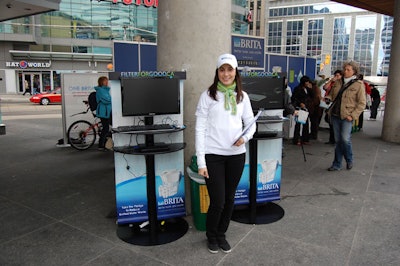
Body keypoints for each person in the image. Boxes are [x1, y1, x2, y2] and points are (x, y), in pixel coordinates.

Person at [195, 53, 256, 254]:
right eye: (222, 70)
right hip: (213, 156)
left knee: (230, 199)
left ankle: (222, 235)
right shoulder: (208, 95)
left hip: (237, 155)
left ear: (235, 72)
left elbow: (251, 124)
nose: (226, 74)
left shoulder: (242, 96)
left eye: (230, 69)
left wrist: (244, 138)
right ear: (217, 72)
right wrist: (201, 162)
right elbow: (200, 129)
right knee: (218, 201)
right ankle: (211, 235)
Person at [327, 61, 366, 171]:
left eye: (348, 70)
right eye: (345, 69)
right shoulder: (338, 82)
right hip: (335, 114)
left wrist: (352, 116)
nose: (345, 71)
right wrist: (328, 98)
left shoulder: (358, 85)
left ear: (354, 71)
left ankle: (349, 159)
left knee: (345, 139)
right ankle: (337, 164)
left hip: (347, 116)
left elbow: (362, 103)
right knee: (338, 140)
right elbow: (332, 95)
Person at [323, 70, 343, 144]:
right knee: (331, 121)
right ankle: (332, 139)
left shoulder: (342, 84)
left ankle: (336, 139)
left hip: (338, 105)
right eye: (335, 76)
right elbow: (325, 87)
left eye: (338, 76)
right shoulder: (333, 83)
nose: (336, 77)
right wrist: (331, 81)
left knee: (336, 122)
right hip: (331, 104)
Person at [291, 76, 312, 145]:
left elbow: (311, 96)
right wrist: (300, 103)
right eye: (306, 82)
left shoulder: (308, 89)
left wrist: (311, 89)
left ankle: (305, 139)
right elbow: (294, 98)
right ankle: (296, 139)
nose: (307, 83)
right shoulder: (297, 89)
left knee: (306, 124)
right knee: (298, 124)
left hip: (306, 108)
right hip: (299, 108)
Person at [95, 76, 112, 151]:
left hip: (106, 111)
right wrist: (113, 99)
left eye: (107, 81)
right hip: (103, 112)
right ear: (101, 82)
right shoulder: (101, 90)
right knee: (106, 128)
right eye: (105, 81)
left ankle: (105, 143)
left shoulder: (105, 90)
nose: (107, 82)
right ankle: (101, 145)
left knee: (107, 127)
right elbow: (107, 100)